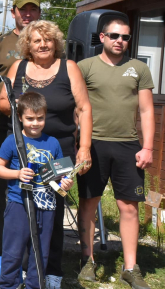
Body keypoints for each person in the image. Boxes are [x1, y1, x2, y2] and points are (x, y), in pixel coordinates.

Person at [1, 20, 92, 289]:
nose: (42, 44)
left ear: (56, 43)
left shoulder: (69, 68)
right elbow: (4, 102)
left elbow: (84, 109)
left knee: (52, 209)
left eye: (48, 40)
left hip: (58, 151)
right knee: (20, 210)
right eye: (37, 40)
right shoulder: (18, 67)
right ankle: (19, 271)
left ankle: (49, 273)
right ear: (27, 44)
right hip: (23, 151)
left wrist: (84, 147)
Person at [76, 18, 154, 289]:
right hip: (93, 144)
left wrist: (148, 147)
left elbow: (145, 110)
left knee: (128, 207)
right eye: (114, 35)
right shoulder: (84, 67)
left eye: (125, 37)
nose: (120, 40)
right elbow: (77, 106)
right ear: (102, 37)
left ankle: (131, 268)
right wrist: (81, 144)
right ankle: (88, 260)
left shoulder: (139, 69)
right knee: (88, 203)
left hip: (128, 146)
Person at [0, 92, 73, 289]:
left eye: (40, 118)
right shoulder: (12, 141)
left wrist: (65, 183)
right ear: (20, 117)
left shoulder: (53, 143)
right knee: (13, 251)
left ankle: (35, 285)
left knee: (40, 252)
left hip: (46, 207)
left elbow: (59, 175)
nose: (35, 123)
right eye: (30, 118)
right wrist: (17, 174)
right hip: (18, 204)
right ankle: (8, 285)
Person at [0, 0, 42, 251]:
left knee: (37, 180)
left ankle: (33, 243)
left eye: (33, 9)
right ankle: (2, 245)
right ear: (13, 13)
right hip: (6, 125)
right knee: (3, 187)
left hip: (38, 127)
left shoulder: (47, 43)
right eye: (23, 9)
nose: (28, 13)